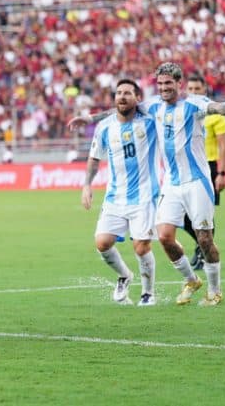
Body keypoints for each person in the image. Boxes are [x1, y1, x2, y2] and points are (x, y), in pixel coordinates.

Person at [69, 62, 225, 306]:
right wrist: (89, 118)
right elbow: (121, 109)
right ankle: (191, 280)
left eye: (168, 84)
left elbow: (216, 108)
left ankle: (215, 290)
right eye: (160, 84)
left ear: (178, 84)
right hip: (171, 184)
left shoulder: (194, 103)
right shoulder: (152, 106)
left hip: (197, 181)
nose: (163, 88)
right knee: (164, 236)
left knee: (204, 239)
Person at [80, 79, 159, 306]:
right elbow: (94, 158)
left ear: (137, 98)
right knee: (102, 243)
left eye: (127, 93)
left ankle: (148, 293)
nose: (122, 97)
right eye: (118, 93)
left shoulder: (149, 121)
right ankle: (125, 276)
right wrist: (87, 184)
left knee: (141, 246)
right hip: (115, 196)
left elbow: (163, 105)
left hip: (145, 195)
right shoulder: (105, 126)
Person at [182, 74, 225, 270]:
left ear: (205, 90)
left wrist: (222, 173)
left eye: (197, 89)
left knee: (205, 215)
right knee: (185, 217)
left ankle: (206, 252)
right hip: (188, 168)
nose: (193, 92)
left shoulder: (214, 115)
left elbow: (224, 146)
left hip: (209, 166)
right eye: (190, 89)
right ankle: (201, 246)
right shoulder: (185, 113)